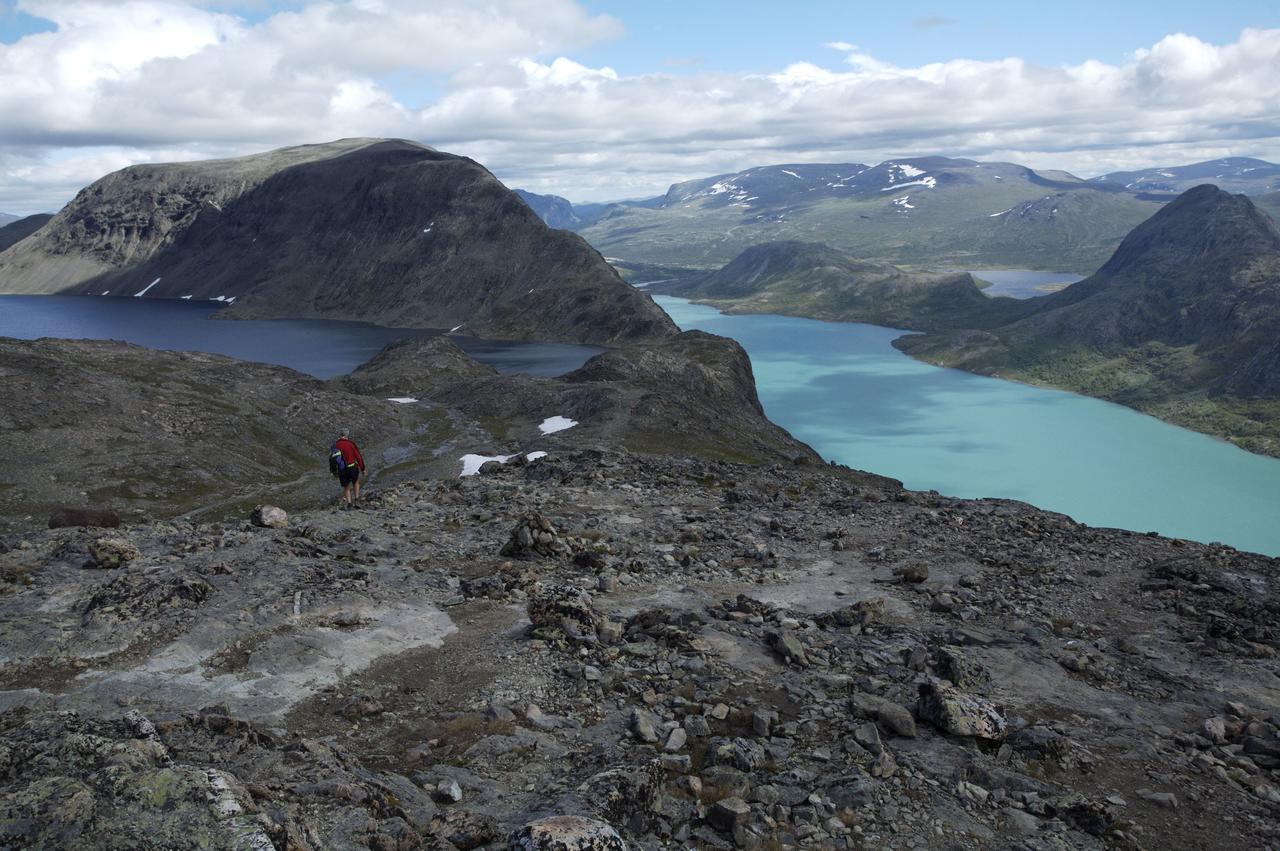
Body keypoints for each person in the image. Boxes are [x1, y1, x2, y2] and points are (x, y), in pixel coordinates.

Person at [330, 429, 366, 508]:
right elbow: (358, 456)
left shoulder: (335, 445)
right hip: (352, 467)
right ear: (347, 435)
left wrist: (333, 471)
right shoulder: (351, 444)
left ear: (340, 435)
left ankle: (349, 504)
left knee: (346, 487)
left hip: (341, 469)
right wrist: (362, 468)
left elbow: (332, 459)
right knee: (355, 482)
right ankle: (356, 500)